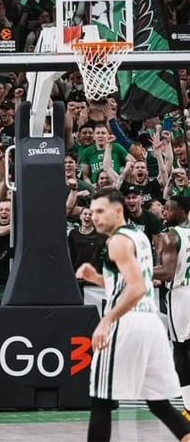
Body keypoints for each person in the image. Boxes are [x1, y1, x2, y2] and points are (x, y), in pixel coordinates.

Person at [76, 188, 190, 441]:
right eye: (92, 211)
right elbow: (133, 281)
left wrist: (107, 320)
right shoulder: (139, 237)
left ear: (118, 211)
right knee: (159, 403)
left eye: (100, 211)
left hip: (127, 322)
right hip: (150, 324)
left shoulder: (117, 241)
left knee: (101, 400)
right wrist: (96, 277)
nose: (94, 217)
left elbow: (136, 287)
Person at [153, 196, 190, 419]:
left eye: (168, 209)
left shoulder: (172, 236)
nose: (164, 212)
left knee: (181, 350)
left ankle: (188, 407)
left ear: (183, 211)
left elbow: (167, 273)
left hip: (182, 295)